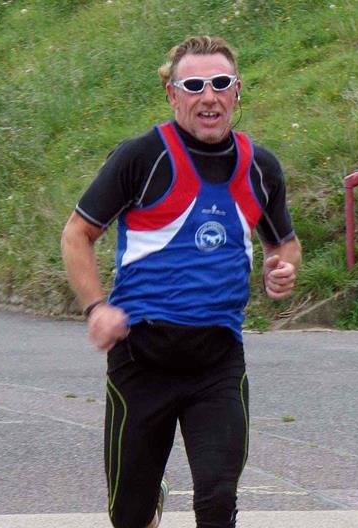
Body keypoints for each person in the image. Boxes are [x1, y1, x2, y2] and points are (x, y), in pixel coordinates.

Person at [60, 36, 301, 528]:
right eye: (193, 85)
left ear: (237, 92)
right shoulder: (141, 158)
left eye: (220, 84)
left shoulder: (261, 167)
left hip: (217, 360)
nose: (208, 96)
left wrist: (282, 268)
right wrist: (95, 308)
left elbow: (284, 243)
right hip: (141, 356)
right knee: (129, 514)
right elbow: (77, 234)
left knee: (216, 501)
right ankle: (148, 497)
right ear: (173, 95)